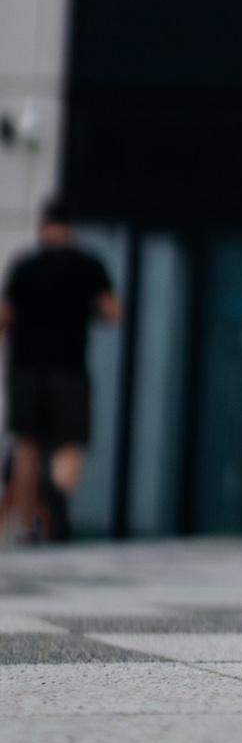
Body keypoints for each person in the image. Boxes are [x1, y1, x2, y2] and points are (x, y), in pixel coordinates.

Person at [0, 202, 119, 543]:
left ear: (43, 226)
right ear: (70, 228)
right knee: (71, 442)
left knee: (27, 444)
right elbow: (113, 310)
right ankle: (57, 494)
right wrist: (88, 314)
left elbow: (5, 315)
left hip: (25, 368)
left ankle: (27, 524)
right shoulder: (88, 264)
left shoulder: (25, 266)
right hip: (69, 367)